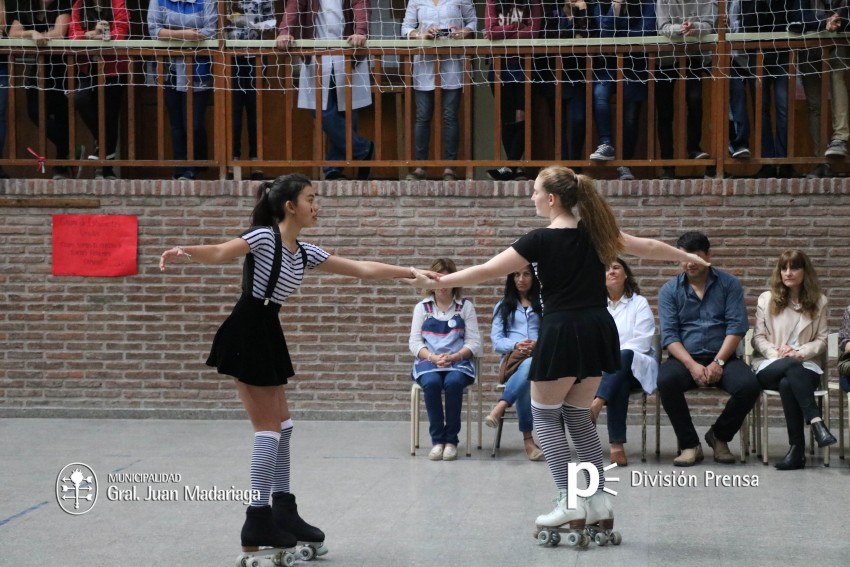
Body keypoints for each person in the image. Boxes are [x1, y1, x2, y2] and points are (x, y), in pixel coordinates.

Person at [408, 165, 709, 541]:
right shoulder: (597, 234)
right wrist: (689, 257)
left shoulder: (539, 240)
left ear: (552, 199)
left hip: (563, 330)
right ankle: (598, 500)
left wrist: (438, 280)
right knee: (579, 418)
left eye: (535, 191)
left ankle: (569, 499)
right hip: (599, 329)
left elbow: (485, 271)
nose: (531, 197)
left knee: (545, 416)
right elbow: (647, 246)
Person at [159, 174, 420, 562]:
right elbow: (220, 251)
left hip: (267, 328)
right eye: (311, 199)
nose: (317, 206)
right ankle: (257, 517)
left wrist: (412, 273)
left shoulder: (304, 251)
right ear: (289, 206)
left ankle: (282, 510)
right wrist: (185, 250)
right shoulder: (264, 237)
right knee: (267, 429)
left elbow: (361, 268)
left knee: (283, 426)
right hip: (248, 329)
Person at [657, 231, 761, 466]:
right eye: (683, 257)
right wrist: (692, 365)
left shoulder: (729, 284)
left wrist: (719, 362)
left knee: (749, 386)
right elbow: (670, 335)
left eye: (695, 256)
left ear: (708, 255)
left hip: (723, 356)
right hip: (685, 358)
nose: (689, 263)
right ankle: (689, 444)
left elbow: (736, 328)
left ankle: (719, 436)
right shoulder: (669, 290)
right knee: (665, 381)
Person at [751, 249, 836, 470]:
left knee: (789, 382)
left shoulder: (819, 302)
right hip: (771, 364)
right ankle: (816, 423)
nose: (788, 273)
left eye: (794, 267)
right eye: (784, 268)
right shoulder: (767, 299)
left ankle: (796, 451)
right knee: (788, 367)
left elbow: (823, 339)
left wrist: (800, 353)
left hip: (804, 364)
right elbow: (757, 338)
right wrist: (777, 353)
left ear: (805, 271)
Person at [276, 0, 374, 181]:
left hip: (348, 50)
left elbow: (361, 6)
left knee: (348, 113)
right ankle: (363, 149)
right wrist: (285, 32)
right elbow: (293, 7)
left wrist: (360, 32)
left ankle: (333, 169)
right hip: (317, 55)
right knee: (320, 110)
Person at [410, 258, 482, 461]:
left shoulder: (465, 307)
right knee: (431, 384)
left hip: (458, 362)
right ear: (429, 282)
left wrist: (456, 356)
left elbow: (474, 342)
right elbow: (414, 343)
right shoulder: (422, 308)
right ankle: (437, 441)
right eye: (437, 279)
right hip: (429, 362)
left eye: (447, 279)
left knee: (453, 383)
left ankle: (451, 441)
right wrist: (432, 357)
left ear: (455, 281)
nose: (441, 284)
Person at [588, 257, 657, 467]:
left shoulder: (639, 303)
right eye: (607, 269)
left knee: (624, 355)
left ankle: (597, 403)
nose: (611, 272)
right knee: (620, 380)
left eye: (616, 267)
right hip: (607, 374)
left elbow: (643, 340)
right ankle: (617, 446)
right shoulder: (594, 306)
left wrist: (613, 357)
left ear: (626, 274)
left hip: (637, 366)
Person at [401, 0, 476, 182]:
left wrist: (462, 32)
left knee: (450, 115)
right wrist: (421, 35)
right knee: (423, 116)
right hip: (425, 65)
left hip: (453, 64)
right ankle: (420, 167)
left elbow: (472, 22)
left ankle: (449, 167)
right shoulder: (416, 1)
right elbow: (405, 28)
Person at [147, 0, 217, 181]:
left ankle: (198, 162)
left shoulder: (207, 1)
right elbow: (154, 30)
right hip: (168, 68)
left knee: (193, 123)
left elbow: (211, 30)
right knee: (176, 124)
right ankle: (182, 170)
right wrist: (185, 34)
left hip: (198, 69)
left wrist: (171, 35)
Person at [589, 0, 655, 181]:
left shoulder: (646, 4)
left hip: (635, 67)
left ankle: (625, 162)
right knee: (599, 96)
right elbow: (605, 33)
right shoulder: (601, 4)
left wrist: (619, 36)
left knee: (630, 117)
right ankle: (606, 144)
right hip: (607, 65)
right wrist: (615, 8)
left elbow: (646, 31)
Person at [7, 0, 72, 180]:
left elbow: (59, 33)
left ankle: (62, 166)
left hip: (61, 68)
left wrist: (37, 36)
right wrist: (32, 33)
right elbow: (12, 33)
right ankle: (70, 150)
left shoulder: (62, 5)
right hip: (37, 69)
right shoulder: (27, 7)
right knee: (35, 112)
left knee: (61, 116)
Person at [728, 0, 793, 177]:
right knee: (760, 107)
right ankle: (767, 161)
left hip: (781, 51)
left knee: (783, 106)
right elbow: (748, 21)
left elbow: (788, 12)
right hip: (756, 54)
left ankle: (784, 161)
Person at [485, 265, 544, 461]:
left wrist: (538, 344)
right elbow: (497, 341)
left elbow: (554, 336)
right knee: (528, 369)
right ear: (511, 278)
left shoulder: (543, 305)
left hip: (541, 362)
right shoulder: (503, 306)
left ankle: (502, 405)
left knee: (531, 367)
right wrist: (516, 344)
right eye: (516, 274)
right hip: (512, 363)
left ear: (533, 278)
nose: (521, 279)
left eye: (526, 274)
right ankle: (528, 441)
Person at [655, 0, 716, 179]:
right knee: (665, 110)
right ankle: (668, 164)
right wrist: (681, 29)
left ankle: (694, 149)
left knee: (695, 99)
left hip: (693, 55)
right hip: (665, 58)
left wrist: (695, 27)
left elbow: (710, 24)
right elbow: (662, 27)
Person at [69, 0, 129, 180]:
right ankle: (102, 146)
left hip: (113, 68)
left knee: (110, 115)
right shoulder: (79, 5)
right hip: (88, 67)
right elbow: (73, 35)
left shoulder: (118, 2)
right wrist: (93, 33)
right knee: (81, 99)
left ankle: (106, 169)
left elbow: (122, 32)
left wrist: (105, 33)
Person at [484, 0, 543, 182]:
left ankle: (510, 167)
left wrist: (506, 32)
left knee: (522, 116)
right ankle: (516, 169)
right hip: (500, 67)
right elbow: (490, 31)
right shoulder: (492, 2)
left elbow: (533, 32)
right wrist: (517, 27)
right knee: (507, 118)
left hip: (524, 65)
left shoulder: (533, 2)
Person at [225, 0, 275, 181]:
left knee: (255, 108)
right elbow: (214, 22)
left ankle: (256, 162)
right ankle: (233, 162)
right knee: (234, 109)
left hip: (256, 56)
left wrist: (261, 26)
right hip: (231, 56)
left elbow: (271, 22)